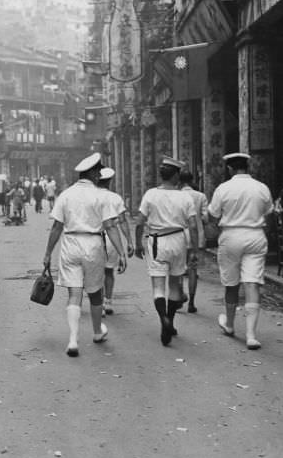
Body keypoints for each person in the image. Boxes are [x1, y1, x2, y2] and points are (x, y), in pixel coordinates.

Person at [42, 152, 127, 357]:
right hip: (93, 244)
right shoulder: (101, 195)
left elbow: (56, 227)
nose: (100, 174)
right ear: (94, 174)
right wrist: (121, 253)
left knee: (74, 293)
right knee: (95, 292)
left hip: (70, 243)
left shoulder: (66, 194)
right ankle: (97, 332)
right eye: (98, 171)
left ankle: (73, 340)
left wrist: (47, 253)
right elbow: (110, 226)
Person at [208, 152, 274, 350]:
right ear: (248, 167)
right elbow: (270, 215)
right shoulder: (261, 188)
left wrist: (221, 228)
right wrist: (262, 230)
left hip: (231, 235)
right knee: (252, 283)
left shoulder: (223, 188)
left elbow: (213, 215)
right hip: (256, 235)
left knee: (231, 283)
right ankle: (251, 335)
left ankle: (229, 324)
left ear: (229, 169)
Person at [134, 156, 199, 347]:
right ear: (176, 175)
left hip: (157, 241)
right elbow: (193, 226)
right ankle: (170, 320)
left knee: (158, 287)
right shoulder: (185, 196)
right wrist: (194, 250)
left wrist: (138, 244)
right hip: (179, 240)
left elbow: (139, 222)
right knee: (174, 284)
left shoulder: (150, 195)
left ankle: (163, 318)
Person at [95, 168, 134, 316]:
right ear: (109, 182)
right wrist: (129, 242)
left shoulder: (89, 196)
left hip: (92, 237)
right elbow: (122, 221)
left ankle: (98, 303)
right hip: (111, 238)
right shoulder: (115, 198)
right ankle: (108, 301)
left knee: (95, 272)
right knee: (109, 270)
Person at [179, 169, 209, 313]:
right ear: (191, 181)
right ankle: (191, 302)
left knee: (177, 269)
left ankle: (178, 298)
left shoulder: (175, 195)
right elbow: (205, 218)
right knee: (193, 270)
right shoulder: (200, 196)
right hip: (196, 237)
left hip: (178, 236)